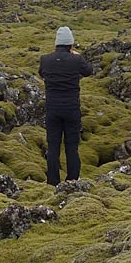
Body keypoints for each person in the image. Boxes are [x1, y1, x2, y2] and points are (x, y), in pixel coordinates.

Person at [39, 26, 94, 186]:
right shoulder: (76, 60)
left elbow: (42, 73)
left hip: (52, 110)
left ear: (56, 44)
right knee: (71, 146)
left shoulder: (45, 59)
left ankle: (52, 181)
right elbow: (89, 71)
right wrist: (78, 57)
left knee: (53, 145)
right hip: (71, 109)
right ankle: (72, 181)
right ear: (70, 45)